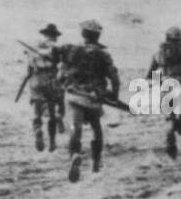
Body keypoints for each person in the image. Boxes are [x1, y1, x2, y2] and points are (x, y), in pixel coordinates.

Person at [60, 19, 119, 182]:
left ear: (82, 34)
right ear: (98, 36)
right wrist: (114, 95)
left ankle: (75, 154)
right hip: (94, 97)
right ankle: (96, 162)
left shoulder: (71, 50)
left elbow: (61, 73)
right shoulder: (103, 54)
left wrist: (62, 82)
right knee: (96, 129)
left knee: (75, 128)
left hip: (75, 94)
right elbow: (114, 77)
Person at [147, 26, 181, 159]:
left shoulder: (159, 53)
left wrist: (159, 82)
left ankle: (171, 134)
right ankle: (178, 125)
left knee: (169, 116)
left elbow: (150, 74)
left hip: (166, 85)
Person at [28, 23, 66, 152]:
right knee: (52, 114)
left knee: (36, 110)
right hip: (51, 80)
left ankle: (38, 129)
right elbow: (62, 66)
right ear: (55, 36)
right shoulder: (56, 47)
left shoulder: (34, 47)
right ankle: (52, 142)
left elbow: (29, 67)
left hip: (36, 79)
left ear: (44, 34)